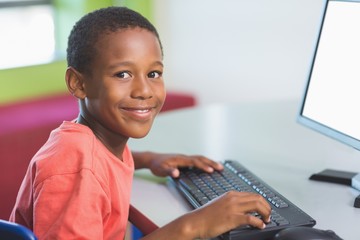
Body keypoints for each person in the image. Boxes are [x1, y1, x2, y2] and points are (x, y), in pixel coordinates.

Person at [9, 6, 271, 240]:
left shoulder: (88, 141)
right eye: (122, 74)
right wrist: (194, 226)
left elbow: (96, 162)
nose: (144, 90)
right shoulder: (76, 171)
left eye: (153, 73)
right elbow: (85, 170)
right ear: (78, 83)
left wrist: (147, 159)